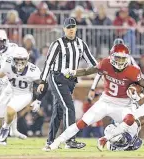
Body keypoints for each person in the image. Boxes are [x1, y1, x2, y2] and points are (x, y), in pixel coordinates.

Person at [45, 43, 144, 151]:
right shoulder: (105, 63)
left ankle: (112, 140)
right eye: (118, 58)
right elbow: (87, 71)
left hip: (124, 105)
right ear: (112, 56)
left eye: (123, 59)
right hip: (106, 101)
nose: (120, 61)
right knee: (82, 123)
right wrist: (73, 72)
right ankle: (56, 142)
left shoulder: (133, 70)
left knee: (131, 124)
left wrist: (140, 95)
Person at [37, 17, 98, 149]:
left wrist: (103, 68)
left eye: (73, 27)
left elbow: (93, 62)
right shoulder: (57, 44)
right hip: (57, 77)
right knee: (68, 107)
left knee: (58, 110)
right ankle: (70, 140)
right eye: (68, 27)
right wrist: (43, 80)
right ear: (64, 29)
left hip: (71, 81)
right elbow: (48, 63)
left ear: (76, 28)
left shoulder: (81, 44)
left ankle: (50, 141)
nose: (71, 29)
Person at [105, 53, 144, 151]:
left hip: (124, 121)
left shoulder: (125, 125)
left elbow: (141, 115)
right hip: (126, 120)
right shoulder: (133, 127)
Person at [0, 47, 45, 145]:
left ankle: (5, 129)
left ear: (27, 59)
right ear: (13, 59)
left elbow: (44, 84)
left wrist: (38, 100)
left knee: (10, 111)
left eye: (22, 59)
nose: (20, 62)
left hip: (24, 94)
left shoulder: (33, 70)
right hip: (9, 90)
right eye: (17, 59)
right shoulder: (7, 64)